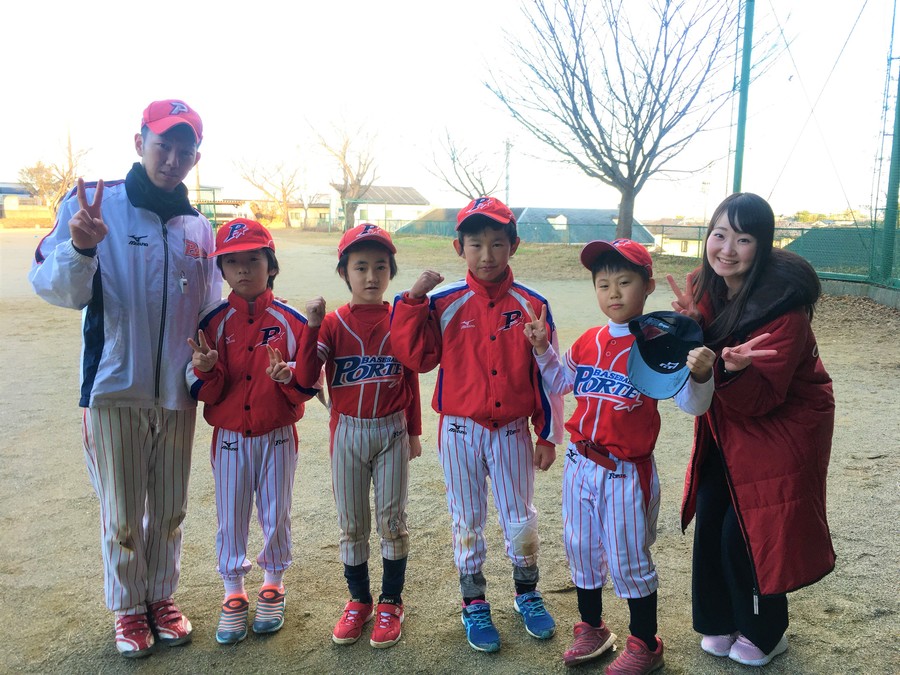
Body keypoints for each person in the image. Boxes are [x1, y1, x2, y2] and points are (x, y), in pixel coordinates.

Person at [28, 99, 221, 658]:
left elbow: (208, 309)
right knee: (122, 513)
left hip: (177, 393)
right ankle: (127, 607)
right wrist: (82, 247)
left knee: (170, 509)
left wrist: (205, 366)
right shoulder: (95, 204)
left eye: (184, 150)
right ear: (140, 143)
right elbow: (56, 288)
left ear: (196, 157)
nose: (173, 159)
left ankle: (160, 597)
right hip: (113, 388)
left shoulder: (198, 227)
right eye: (163, 145)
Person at [523, 239, 716, 674]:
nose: (613, 292)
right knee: (581, 550)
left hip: (626, 473)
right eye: (603, 283)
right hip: (580, 464)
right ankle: (592, 627)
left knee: (629, 559)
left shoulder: (660, 344)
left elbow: (693, 405)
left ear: (647, 286)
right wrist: (543, 350)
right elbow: (561, 382)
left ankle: (646, 643)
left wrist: (701, 376)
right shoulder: (589, 341)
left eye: (625, 282)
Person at [390, 196, 564, 653]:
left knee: (520, 517)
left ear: (514, 245)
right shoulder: (442, 302)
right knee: (466, 519)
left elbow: (547, 373)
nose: (487, 255)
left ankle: (527, 592)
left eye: (497, 243)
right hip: (459, 430)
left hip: (511, 430)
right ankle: (474, 601)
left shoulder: (532, 304)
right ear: (458, 248)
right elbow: (416, 357)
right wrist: (411, 301)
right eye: (475, 244)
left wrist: (547, 434)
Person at [668, 192, 835, 667]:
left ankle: (765, 632)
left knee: (747, 528)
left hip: (783, 427)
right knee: (711, 511)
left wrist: (735, 372)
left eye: (743, 239)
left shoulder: (785, 310)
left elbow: (763, 400)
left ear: (763, 245)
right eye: (719, 234)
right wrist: (690, 325)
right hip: (728, 422)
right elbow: (702, 352)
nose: (727, 249)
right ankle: (721, 620)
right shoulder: (706, 286)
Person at [185, 218, 319, 645]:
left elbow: (309, 385)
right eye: (232, 261)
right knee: (231, 514)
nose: (243, 269)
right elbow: (206, 390)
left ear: (271, 265)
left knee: (276, 511)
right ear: (221, 270)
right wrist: (208, 370)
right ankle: (233, 591)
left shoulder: (291, 320)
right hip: (229, 437)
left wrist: (288, 376)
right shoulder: (212, 321)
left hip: (277, 434)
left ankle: (273, 583)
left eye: (254, 259)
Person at [294, 223, 422, 649]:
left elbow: (410, 379)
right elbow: (306, 377)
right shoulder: (332, 324)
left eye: (380, 267)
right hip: (347, 430)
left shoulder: (398, 318)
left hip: (392, 430)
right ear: (344, 272)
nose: (371, 276)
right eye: (360, 267)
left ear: (391, 272)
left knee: (392, 521)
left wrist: (415, 431)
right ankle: (359, 600)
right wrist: (312, 326)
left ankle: (391, 601)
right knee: (351, 524)